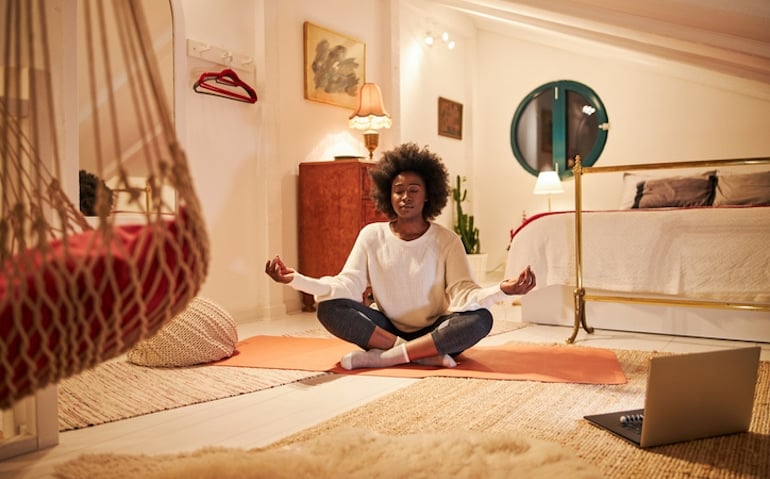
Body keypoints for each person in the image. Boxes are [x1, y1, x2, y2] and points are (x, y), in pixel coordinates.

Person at [265, 142, 536, 370]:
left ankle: (387, 358)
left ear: (428, 195)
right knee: (329, 308)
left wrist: (503, 290)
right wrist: (295, 280)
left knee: (481, 319)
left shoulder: (447, 240)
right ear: (388, 194)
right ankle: (414, 353)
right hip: (386, 330)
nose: (405, 197)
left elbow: (464, 293)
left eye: (413, 190)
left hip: (436, 331)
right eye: (398, 190)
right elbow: (346, 286)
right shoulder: (371, 235)